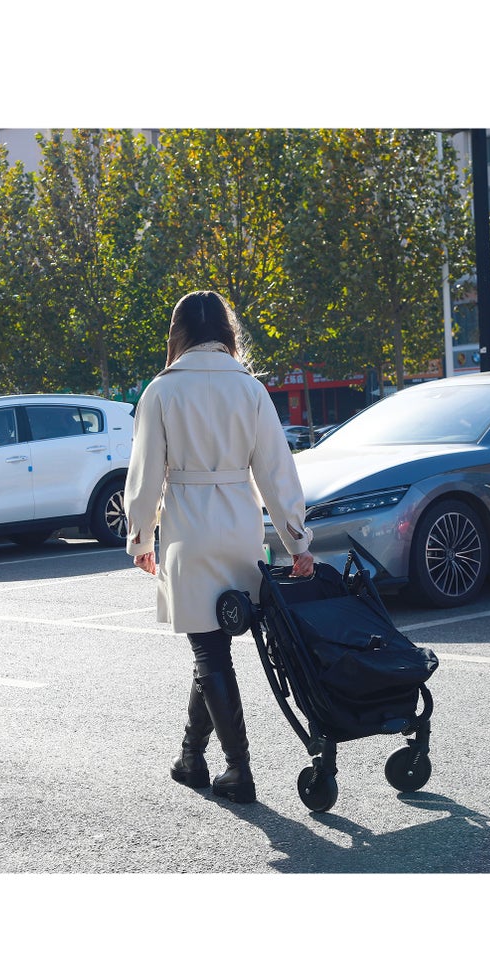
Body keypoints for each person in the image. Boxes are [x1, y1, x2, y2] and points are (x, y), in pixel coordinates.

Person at [124, 290, 314, 804]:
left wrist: (140, 536)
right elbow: (277, 472)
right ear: (226, 331)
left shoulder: (161, 392)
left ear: (178, 332)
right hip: (240, 527)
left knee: (209, 650)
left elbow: (143, 478)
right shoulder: (250, 389)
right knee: (215, 649)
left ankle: (239, 770)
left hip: (188, 529)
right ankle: (192, 757)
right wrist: (297, 539)